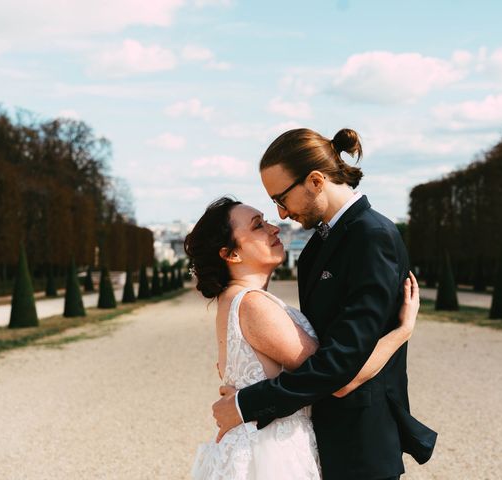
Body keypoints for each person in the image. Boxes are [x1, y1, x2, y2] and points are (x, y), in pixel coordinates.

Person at [212, 128, 437, 480]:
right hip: (316, 439)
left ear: (315, 181)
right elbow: (315, 353)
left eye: (281, 199)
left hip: (361, 443)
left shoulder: (372, 237)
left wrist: (245, 404)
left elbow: (340, 365)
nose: (281, 214)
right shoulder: (316, 247)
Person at [186, 197, 420, 479]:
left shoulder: (232, 300)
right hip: (274, 455)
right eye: (258, 225)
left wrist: (246, 401)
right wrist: (402, 332)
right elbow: (340, 377)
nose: (274, 227)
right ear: (231, 254)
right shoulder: (253, 304)